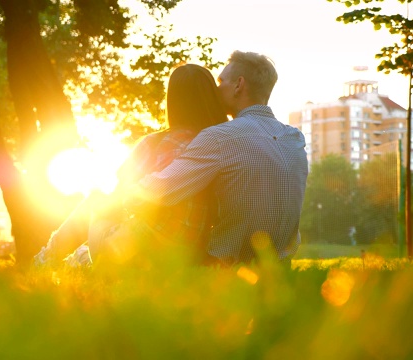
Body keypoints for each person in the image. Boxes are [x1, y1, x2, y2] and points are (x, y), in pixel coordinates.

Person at [34, 64, 228, 267]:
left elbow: (117, 194)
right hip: (187, 257)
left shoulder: (154, 144)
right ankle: (79, 259)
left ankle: (47, 258)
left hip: (141, 256)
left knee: (97, 199)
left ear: (172, 101)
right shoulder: (219, 148)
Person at [128, 51, 308, 266]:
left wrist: (122, 195)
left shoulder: (220, 136)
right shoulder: (295, 139)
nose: (215, 88)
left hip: (226, 270)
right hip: (280, 269)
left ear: (239, 85)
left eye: (221, 81)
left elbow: (160, 190)